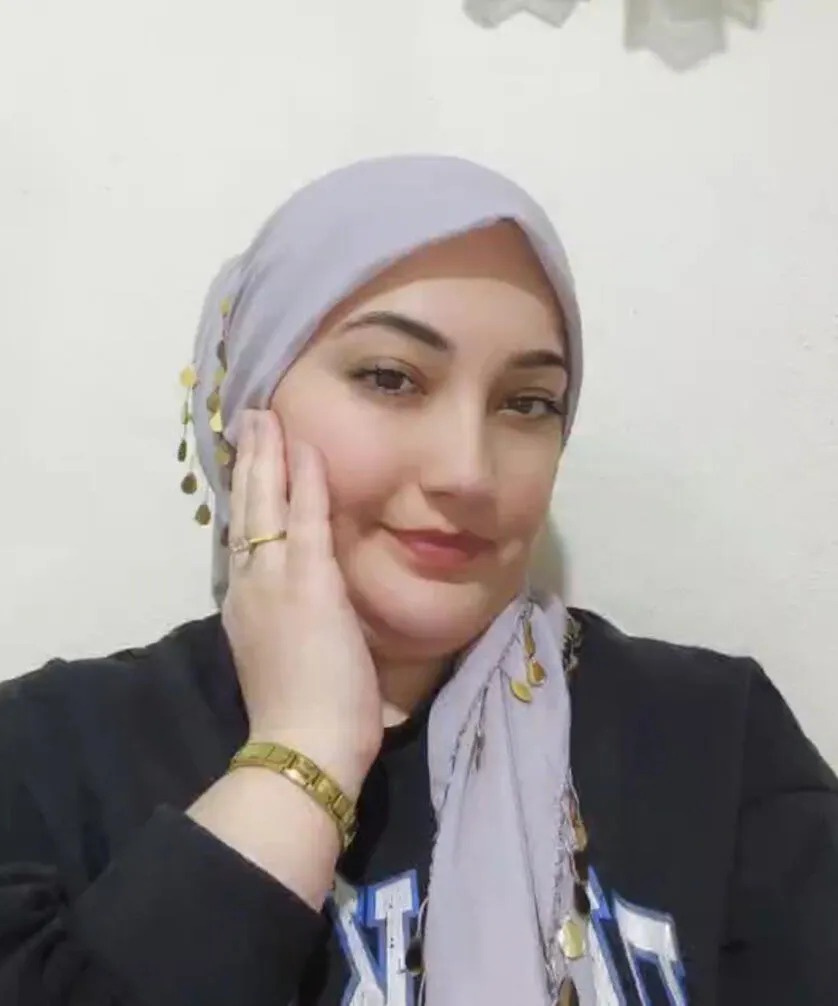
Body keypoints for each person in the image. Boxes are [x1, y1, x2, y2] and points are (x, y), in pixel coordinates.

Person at [0, 155, 836, 1006]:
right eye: (390, 378)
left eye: (528, 403)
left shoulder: (715, 742)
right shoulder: (47, 754)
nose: (468, 472)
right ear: (246, 405)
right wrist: (302, 756)